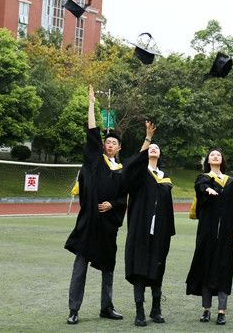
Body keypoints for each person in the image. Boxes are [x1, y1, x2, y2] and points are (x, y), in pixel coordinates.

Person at [65, 85, 152, 325]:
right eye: (108, 141)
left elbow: (132, 173)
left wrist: (112, 206)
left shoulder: (122, 171)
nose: (110, 144)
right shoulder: (95, 161)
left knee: (108, 269)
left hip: (108, 226)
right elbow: (92, 131)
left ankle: (107, 306)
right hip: (89, 224)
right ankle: (74, 309)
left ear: (119, 147)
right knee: (80, 268)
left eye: (114, 142)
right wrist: (91, 104)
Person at [185, 148, 233, 326]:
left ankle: (221, 312)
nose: (215, 156)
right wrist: (208, 190)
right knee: (206, 267)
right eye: (212, 155)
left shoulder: (231, 182)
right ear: (208, 160)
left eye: (218, 155)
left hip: (225, 234)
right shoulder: (203, 178)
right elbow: (200, 186)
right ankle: (206, 309)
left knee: (224, 269)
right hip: (207, 233)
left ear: (222, 160)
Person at [123, 124, 177, 327]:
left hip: (160, 231)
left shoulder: (165, 178)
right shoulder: (139, 174)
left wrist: (169, 232)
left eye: (156, 147)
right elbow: (129, 168)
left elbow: (168, 207)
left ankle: (156, 309)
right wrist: (147, 139)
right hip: (140, 230)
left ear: (160, 154)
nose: (154, 148)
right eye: (151, 147)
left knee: (157, 267)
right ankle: (139, 311)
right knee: (139, 268)